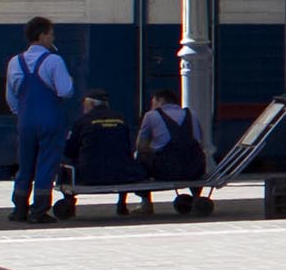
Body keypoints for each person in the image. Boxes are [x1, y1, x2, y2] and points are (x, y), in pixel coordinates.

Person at [5, 18, 76, 222]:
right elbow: (65, 91)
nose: (53, 37)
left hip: (26, 120)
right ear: (43, 35)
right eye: (51, 34)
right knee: (46, 163)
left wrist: (22, 113)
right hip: (50, 119)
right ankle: (39, 211)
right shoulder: (54, 61)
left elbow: (11, 97)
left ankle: (19, 209)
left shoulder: (15, 62)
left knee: (25, 163)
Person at [60, 89, 150, 219]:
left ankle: (69, 202)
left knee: (65, 163)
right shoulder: (120, 118)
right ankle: (121, 203)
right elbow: (126, 146)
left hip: (91, 175)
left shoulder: (83, 121)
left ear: (89, 105)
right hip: (123, 173)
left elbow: (70, 150)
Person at [136, 87, 211, 216]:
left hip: (166, 171)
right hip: (193, 171)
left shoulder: (151, 115)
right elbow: (201, 143)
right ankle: (196, 196)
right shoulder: (191, 114)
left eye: (153, 102)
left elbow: (140, 146)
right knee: (194, 154)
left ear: (160, 100)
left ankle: (146, 203)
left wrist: (153, 148)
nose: (152, 106)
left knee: (140, 156)